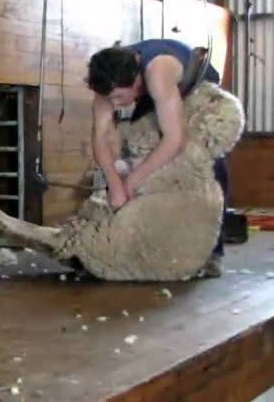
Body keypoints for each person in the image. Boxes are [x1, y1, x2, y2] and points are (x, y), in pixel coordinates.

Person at [85, 37, 229, 278]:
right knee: (137, 151)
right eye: (110, 99)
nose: (114, 104)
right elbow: (101, 137)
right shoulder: (107, 86)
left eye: (119, 98)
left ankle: (213, 251)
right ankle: (147, 241)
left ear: (135, 82)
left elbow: (174, 139)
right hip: (153, 94)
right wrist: (115, 184)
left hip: (195, 86)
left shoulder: (158, 72)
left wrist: (132, 181)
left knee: (206, 160)